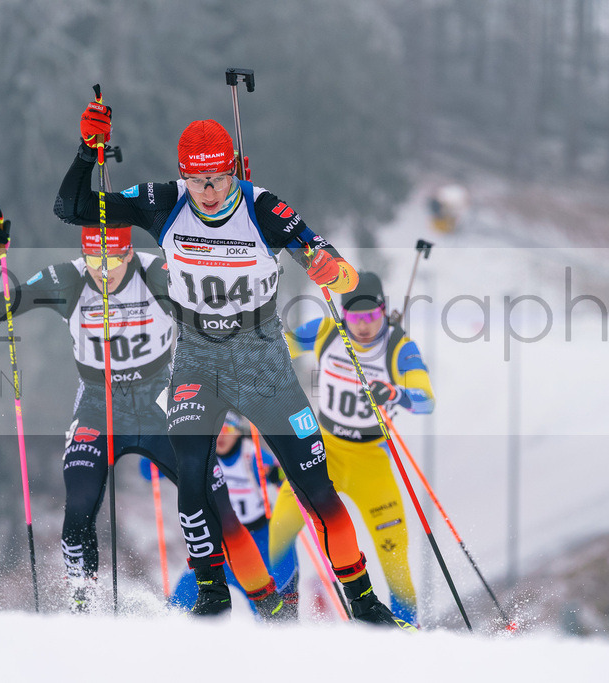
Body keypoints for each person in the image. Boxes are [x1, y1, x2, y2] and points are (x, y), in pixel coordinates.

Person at [54, 96, 411, 628]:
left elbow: (333, 264)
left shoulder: (263, 207)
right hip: (198, 363)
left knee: (317, 490)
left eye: (220, 180)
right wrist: (88, 151)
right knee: (193, 481)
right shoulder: (161, 201)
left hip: (261, 363)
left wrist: (331, 271)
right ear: (183, 177)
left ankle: (363, 600)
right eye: (199, 182)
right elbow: (74, 209)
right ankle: (212, 595)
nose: (210, 193)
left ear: (233, 172)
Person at [0, 216, 284, 617]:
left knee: (217, 504)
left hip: (160, 401)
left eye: (113, 261)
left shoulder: (155, 272)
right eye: (94, 262)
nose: (103, 272)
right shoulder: (67, 279)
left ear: (129, 252)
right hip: (98, 406)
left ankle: (268, 605)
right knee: (79, 501)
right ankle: (83, 603)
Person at [269, 271, 435, 627]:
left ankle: (404, 628)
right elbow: (281, 345)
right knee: (280, 528)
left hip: (370, 459)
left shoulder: (398, 347)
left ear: (383, 311)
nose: (363, 327)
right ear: (344, 314)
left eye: (371, 317)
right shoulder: (328, 330)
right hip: (323, 450)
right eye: (356, 318)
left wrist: (396, 394)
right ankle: (283, 617)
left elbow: (426, 401)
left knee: (393, 552)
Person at [159, 411, 299, 617]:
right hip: (218, 546)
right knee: (181, 600)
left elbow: (283, 476)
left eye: (229, 428)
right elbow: (149, 471)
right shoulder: (201, 455)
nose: (222, 436)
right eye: (217, 429)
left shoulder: (252, 455)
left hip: (257, 544)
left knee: (269, 609)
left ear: (240, 430)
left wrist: (278, 475)